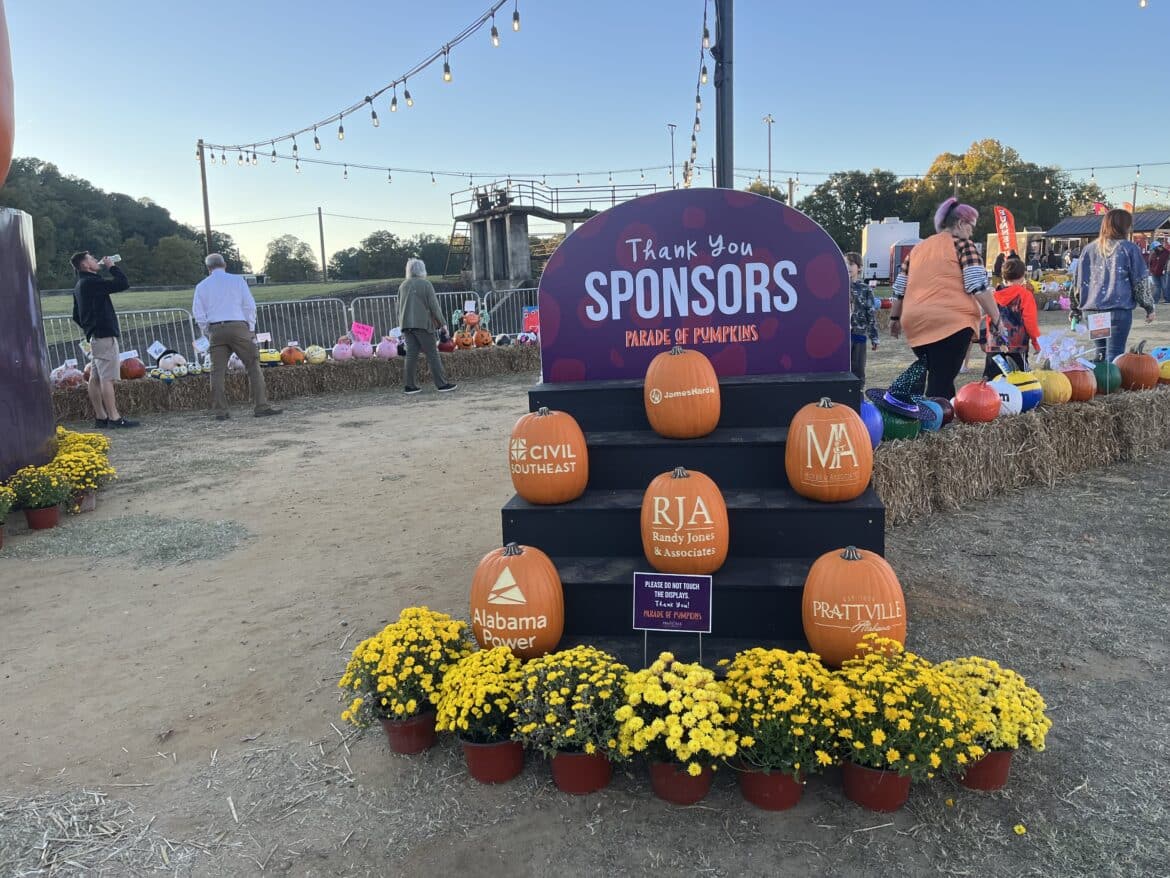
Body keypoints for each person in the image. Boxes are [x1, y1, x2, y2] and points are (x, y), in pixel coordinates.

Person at [888, 197, 1003, 399]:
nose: (971, 232)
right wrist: (997, 319)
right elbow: (977, 286)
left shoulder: (918, 249)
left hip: (916, 324)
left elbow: (899, 289)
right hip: (951, 322)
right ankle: (936, 414)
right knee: (941, 382)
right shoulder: (963, 245)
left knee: (938, 376)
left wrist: (894, 318)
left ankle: (933, 410)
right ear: (960, 223)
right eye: (971, 227)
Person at [192, 253, 282, 421]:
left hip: (215, 330)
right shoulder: (238, 281)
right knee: (253, 366)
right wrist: (250, 328)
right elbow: (249, 306)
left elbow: (198, 313)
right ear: (224, 264)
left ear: (208, 268)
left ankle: (221, 411)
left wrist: (208, 330)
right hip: (238, 327)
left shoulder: (201, 286)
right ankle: (261, 406)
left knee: (217, 372)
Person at [1071, 209, 1155, 363]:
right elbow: (1140, 282)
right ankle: (1110, 379)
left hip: (1093, 311)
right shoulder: (1129, 249)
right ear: (1125, 226)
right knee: (1114, 355)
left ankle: (1096, 378)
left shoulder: (1088, 249)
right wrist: (1149, 307)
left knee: (1101, 353)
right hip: (1117, 310)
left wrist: (1075, 308)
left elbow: (1077, 282)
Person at [70, 251, 140, 428]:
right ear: (85, 265)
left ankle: (101, 416)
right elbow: (122, 283)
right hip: (104, 335)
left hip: (94, 336)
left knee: (94, 378)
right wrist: (112, 267)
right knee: (106, 378)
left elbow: (76, 315)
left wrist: (89, 328)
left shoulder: (79, 285)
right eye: (92, 259)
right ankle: (114, 418)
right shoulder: (92, 282)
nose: (96, 260)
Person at [398, 257, 457, 395]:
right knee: (432, 354)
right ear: (422, 270)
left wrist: (401, 324)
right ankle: (441, 384)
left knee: (411, 355)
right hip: (422, 324)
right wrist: (442, 324)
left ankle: (409, 385)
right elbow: (434, 306)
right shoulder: (426, 284)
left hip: (406, 324)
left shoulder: (403, 285)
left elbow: (398, 308)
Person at [981, 257, 1041, 378]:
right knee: (1021, 382)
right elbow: (1030, 322)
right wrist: (1036, 343)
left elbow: (986, 319)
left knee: (993, 382)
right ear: (1023, 275)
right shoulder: (1025, 295)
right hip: (1018, 346)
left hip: (995, 345)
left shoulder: (993, 295)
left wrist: (984, 339)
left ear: (1003, 276)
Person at [844, 252, 878, 388]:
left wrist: (874, 337)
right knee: (842, 370)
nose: (848, 267)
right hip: (842, 336)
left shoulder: (865, 289)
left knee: (858, 368)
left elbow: (870, 313)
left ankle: (858, 394)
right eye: (845, 263)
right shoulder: (838, 287)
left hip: (859, 334)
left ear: (859, 268)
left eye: (851, 264)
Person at [1146, 240, 1169, 305]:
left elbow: (1166, 263)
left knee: (1164, 286)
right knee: (1157, 286)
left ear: (1159, 247)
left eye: (1154, 248)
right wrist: (1151, 270)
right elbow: (1150, 262)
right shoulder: (1154, 253)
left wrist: (1165, 270)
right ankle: (1155, 300)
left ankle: (1167, 300)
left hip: (1163, 273)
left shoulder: (1167, 253)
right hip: (1155, 273)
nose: (1154, 250)